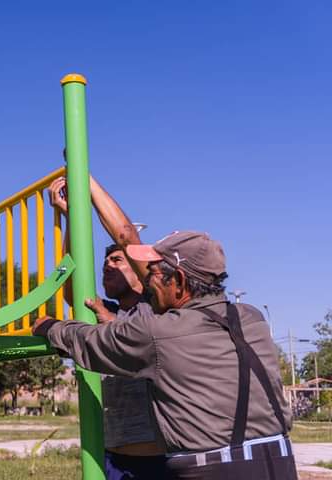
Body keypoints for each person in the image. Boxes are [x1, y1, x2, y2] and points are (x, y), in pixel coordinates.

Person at [34, 175, 295, 479]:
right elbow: (86, 296)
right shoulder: (250, 318)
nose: (149, 277)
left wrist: (50, 327)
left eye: (152, 272)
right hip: (275, 460)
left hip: (199, 465)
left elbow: (126, 241)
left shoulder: (158, 326)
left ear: (179, 281)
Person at [48, 177, 166, 479]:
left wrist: (82, 176)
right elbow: (72, 290)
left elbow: (129, 239)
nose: (107, 265)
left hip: (161, 460)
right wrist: (73, 215)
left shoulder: (154, 307)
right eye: (105, 261)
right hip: (114, 456)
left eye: (117, 260)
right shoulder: (105, 310)